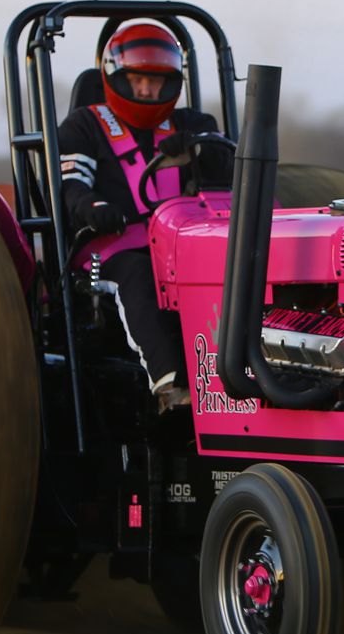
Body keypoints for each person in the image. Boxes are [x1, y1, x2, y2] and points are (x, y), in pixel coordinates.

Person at [57, 22, 229, 410]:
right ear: (117, 78)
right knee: (137, 272)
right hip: (107, 251)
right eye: (138, 80)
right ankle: (174, 389)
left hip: (184, 247)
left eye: (157, 81)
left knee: (232, 268)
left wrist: (198, 150)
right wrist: (93, 208)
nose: (148, 90)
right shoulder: (83, 126)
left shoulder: (194, 125)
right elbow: (72, 187)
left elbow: (227, 171)